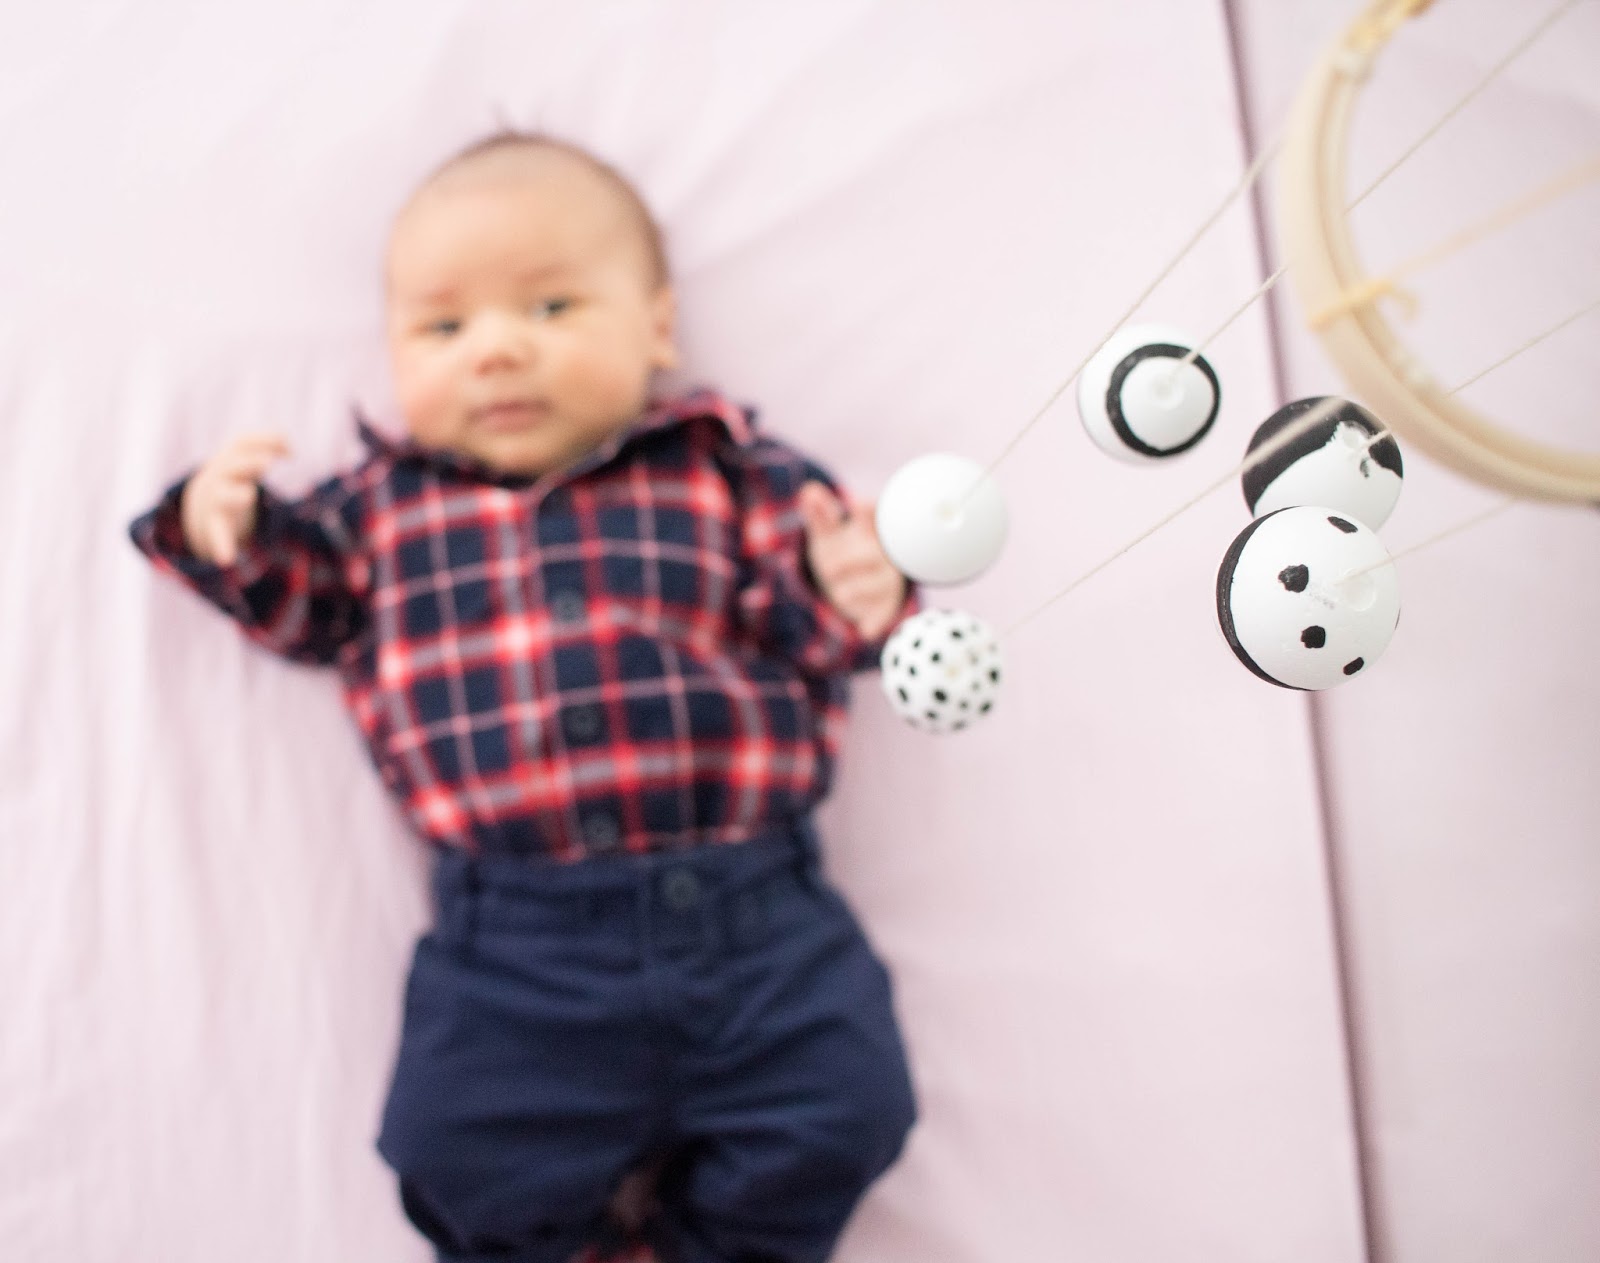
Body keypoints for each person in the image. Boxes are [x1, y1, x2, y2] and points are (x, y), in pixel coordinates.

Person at [128, 131, 919, 1263]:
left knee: (846, 1113)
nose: (497, 351)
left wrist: (857, 586)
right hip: (515, 948)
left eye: (550, 311)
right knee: (454, 1157)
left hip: (758, 919)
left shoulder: (725, 470)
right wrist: (233, 531)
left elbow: (828, 621)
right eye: (445, 328)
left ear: (656, 327)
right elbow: (298, 608)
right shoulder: (380, 511)